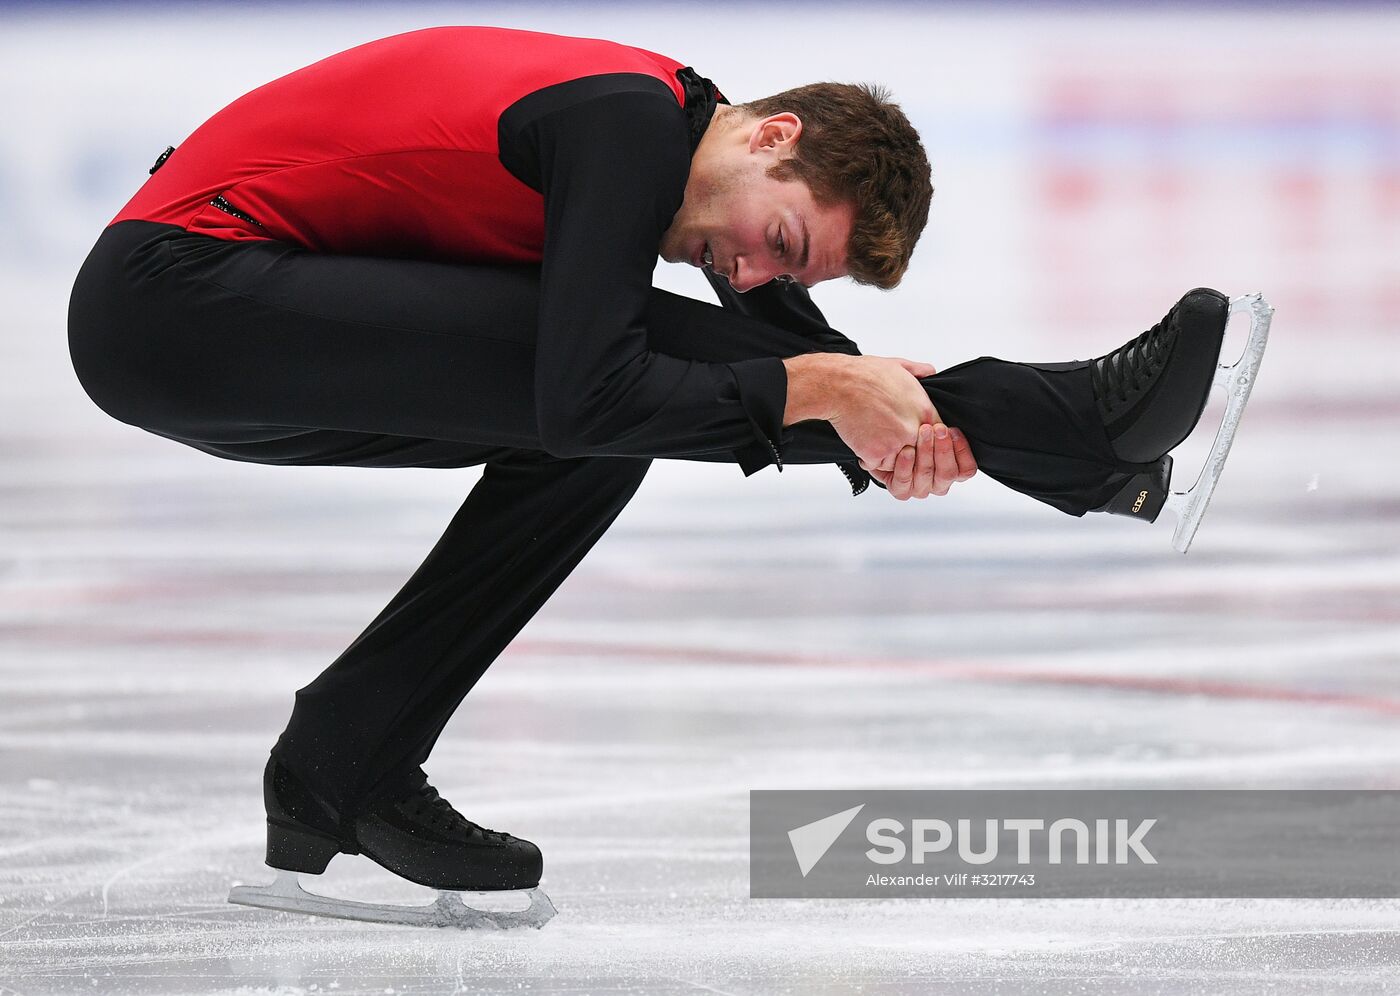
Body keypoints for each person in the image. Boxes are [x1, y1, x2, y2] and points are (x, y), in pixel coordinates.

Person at [67, 25, 1255, 926]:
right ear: (770, 134)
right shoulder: (625, 124)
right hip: (183, 301)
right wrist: (843, 400)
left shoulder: (670, 130)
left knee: (605, 439)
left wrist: (862, 402)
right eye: (779, 240)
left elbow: (770, 352)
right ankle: (1088, 439)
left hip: (205, 319)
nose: (749, 271)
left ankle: (344, 767)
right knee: (610, 399)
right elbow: (609, 384)